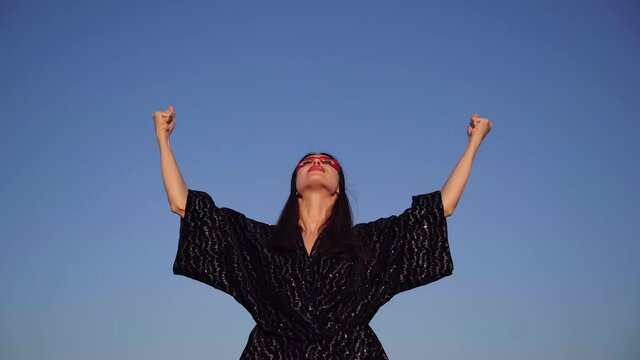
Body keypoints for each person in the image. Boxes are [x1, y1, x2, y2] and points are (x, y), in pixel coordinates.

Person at [153, 105, 492, 359]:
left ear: (338, 188)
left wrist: (474, 143)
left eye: (327, 162)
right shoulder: (259, 242)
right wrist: (163, 139)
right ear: (295, 187)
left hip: (352, 352)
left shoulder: (369, 243)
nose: (316, 163)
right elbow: (183, 205)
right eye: (307, 162)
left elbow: (441, 208)